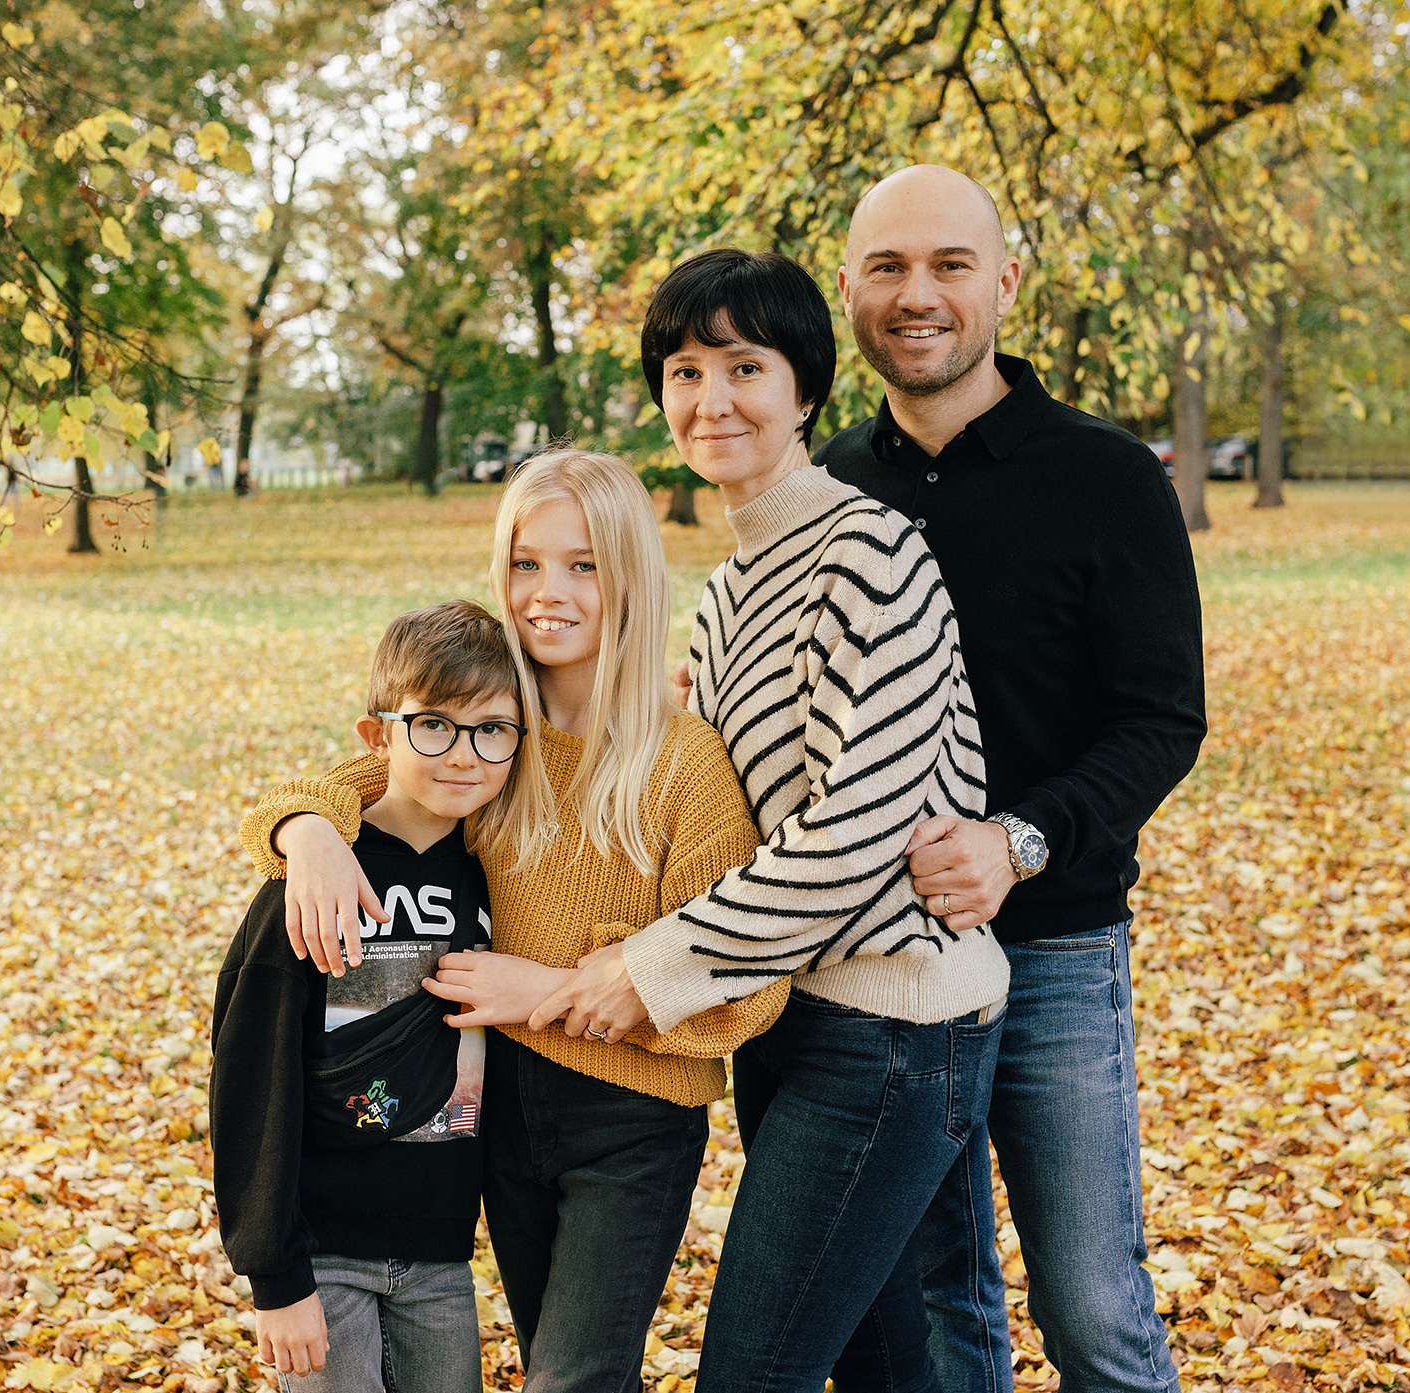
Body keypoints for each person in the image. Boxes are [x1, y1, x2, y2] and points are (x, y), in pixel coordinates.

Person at [531, 248, 1006, 1393]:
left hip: (892, 1028)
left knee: (752, 1372)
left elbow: (849, 839)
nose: (711, 398)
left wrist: (650, 968)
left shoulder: (871, 551)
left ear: (805, 390)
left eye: (745, 366)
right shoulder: (738, 583)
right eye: (684, 370)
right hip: (792, 1019)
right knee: (887, 1371)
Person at [238, 450, 788, 1393]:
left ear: (632, 578)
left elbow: (748, 986)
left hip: (632, 1122)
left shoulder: (685, 764)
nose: (548, 592)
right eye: (527, 563)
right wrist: (310, 831)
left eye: (584, 565)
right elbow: (372, 771)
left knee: (568, 1381)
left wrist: (556, 992)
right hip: (502, 1115)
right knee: (551, 1365)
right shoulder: (498, 733)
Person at [818, 165, 1207, 1393]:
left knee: (1091, 1306)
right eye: (886, 267)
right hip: (882, 964)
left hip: (1049, 955)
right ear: (847, 290)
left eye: (945, 265)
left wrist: (1018, 839)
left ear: (1005, 281)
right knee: (941, 1307)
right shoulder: (823, 485)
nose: (915, 294)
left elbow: (1160, 719)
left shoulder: (1104, 476)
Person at [210, 601, 524, 1390]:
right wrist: (275, 1277)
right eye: (433, 725)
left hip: (443, 1256)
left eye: (492, 728)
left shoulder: (500, 871)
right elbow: (249, 1075)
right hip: (324, 1255)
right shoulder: (318, 877)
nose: (464, 753)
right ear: (377, 734)